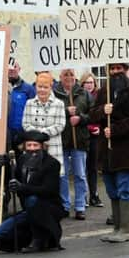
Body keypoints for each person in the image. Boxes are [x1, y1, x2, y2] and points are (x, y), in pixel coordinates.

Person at [89, 63, 129, 243]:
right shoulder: (103, 93)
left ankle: (127, 229)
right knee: (112, 190)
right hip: (107, 152)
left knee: (124, 189)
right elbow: (92, 115)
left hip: (127, 150)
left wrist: (115, 130)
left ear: (126, 70)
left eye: (118, 69)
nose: (115, 72)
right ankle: (117, 227)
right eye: (112, 69)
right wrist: (101, 111)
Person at [0, 131, 64, 253]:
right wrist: (4, 166)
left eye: (35, 145)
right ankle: (29, 239)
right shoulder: (22, 161)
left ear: (42, 147)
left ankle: (41, 238)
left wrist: (23, 188)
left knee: (32, 199)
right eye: (29, 145)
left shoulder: (52, 164)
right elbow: (11, 181)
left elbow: (49, 190)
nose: (32, 149)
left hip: (47, 208)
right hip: (28, 210)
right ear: (24, 147)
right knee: (1, 232)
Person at [53, 69, 91, 220]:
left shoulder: (83, 93)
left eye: (71, 74)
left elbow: (93, 114)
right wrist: (65, 110)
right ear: (60, 77)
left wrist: (80, 118)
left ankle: (80, 206)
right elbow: (51, 112)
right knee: (62, 175)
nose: (68, 78)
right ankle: (64, 205)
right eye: (65, 75)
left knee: (80, 175)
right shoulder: (55, 94)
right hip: (61, 141)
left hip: (79, 141)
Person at [22, 72, 66, 184]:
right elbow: (25, 124)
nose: (42, 90)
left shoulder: (59, 104)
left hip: (52, 148)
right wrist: (37, 136)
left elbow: (60, 125)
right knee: (34, 181)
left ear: (50, 87)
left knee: (54, 183)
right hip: (33, 148)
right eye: (39, 86)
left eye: (45, 87)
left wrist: (43, 133)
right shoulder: (29, 103)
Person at [80, 72, 104, 208]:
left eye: (91, 82)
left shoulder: (99, 97)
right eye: (86, 83)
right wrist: (89, 127)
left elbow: (102, 115)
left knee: (93, 167)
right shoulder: (79, 97)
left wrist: (99, 128)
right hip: (83, 135)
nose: (89, 85)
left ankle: (94, 195)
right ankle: (83, 196)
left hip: (96, 136)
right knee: (82, 168)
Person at [7, 60, 36, 153]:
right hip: (3, 135)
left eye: (14, 67)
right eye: (9, 67)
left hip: (21, 134)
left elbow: (34, 111)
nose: (11, 69)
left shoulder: (28, 89)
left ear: (19, 69)